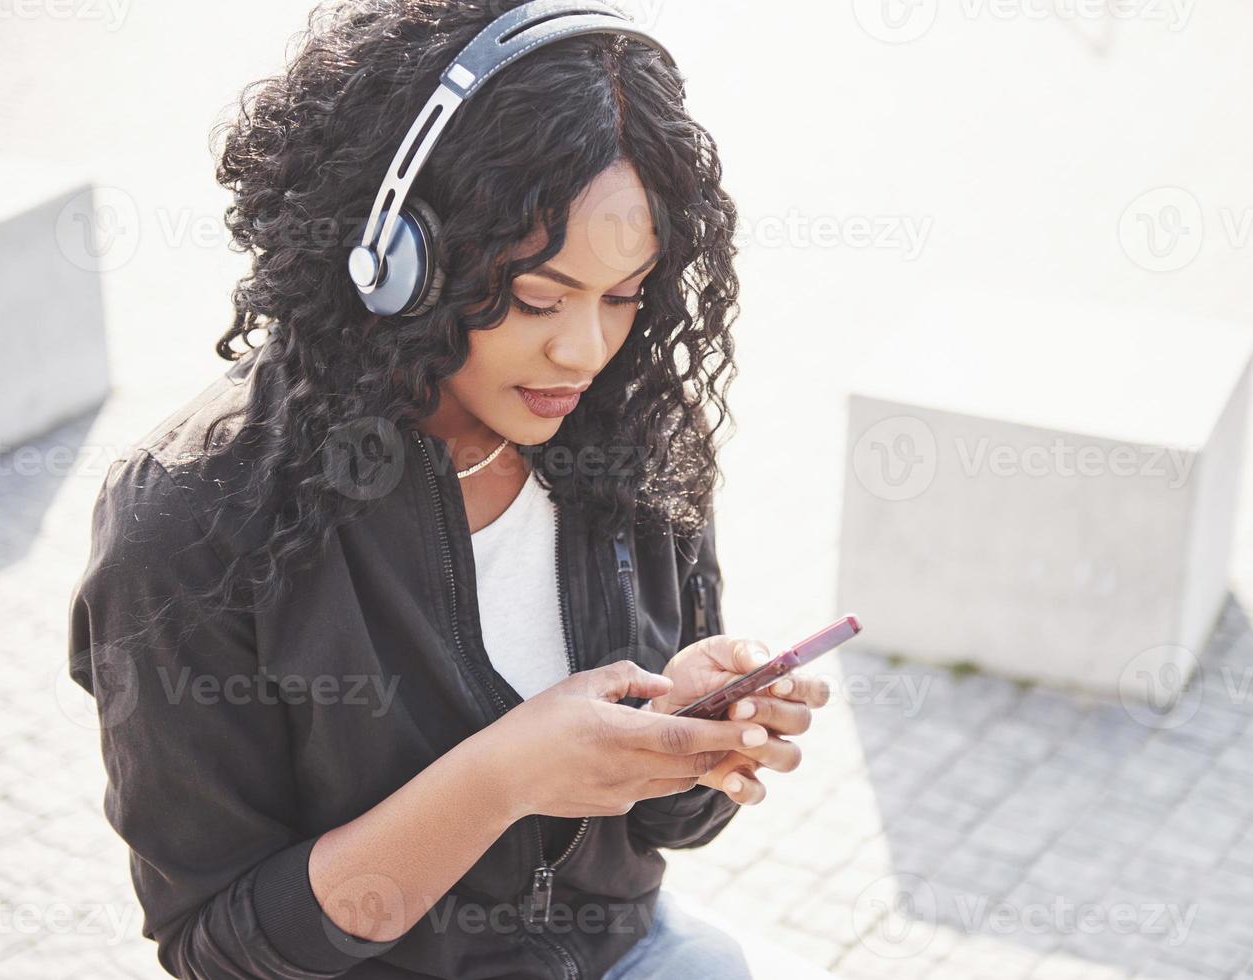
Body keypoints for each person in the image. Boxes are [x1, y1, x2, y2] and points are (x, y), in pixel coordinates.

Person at [66, 2, 833, 978]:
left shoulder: (628, 430)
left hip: (620, 947)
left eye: (625, 292)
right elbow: (221, 944)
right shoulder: (191, 519)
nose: (585, 349)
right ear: (394, 263)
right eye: (536, 297)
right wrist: (503, 775)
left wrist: (692, 738)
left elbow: (666, 835)